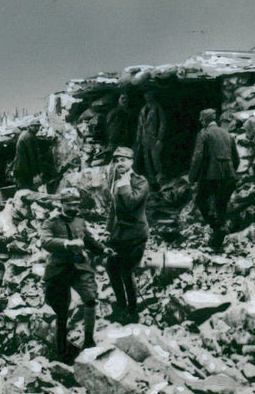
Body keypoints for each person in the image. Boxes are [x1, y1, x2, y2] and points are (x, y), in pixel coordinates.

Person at [41, 188, 106, 363]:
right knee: (62, 310)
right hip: (59, 270)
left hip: (79, 268)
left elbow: (88, 240)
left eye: (76, 204)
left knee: (90, 299)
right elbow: (45, 241)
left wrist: (102, 249)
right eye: (69, 204)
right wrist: (67, 244)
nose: (73, 207)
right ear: (61, 204)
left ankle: (89, 341)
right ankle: (61, 350)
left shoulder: (79, 221)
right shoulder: (51, 222)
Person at [105, 146, 149, 324]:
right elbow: (113, 209)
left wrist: (124, 185)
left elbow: (131, 204)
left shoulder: (140, 182)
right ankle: (121, 306)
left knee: (126, 270)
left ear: (131, 161)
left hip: (136, 234)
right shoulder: (116, 182)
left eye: (123, 160)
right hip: (120, 234)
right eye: (116, 160)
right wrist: (107, 230)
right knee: (111, 267)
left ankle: (132, 311)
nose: (119, 164)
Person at [189, 108, 240, 250]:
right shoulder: (227, 135)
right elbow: (236, 159)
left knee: (201, 200)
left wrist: (192, 177)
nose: (200, 121)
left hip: (210, 175)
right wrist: (230, 171)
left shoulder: (204, 134)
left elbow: (197, 157)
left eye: (201, 118)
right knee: (221, 205)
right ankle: (217, 244)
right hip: (228, 175)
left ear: (205, 120)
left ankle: (217, 227)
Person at [134, 91, 167, 188]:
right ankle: (152, 181)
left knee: (156, 159)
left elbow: (162, 124)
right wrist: (138, 137)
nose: (147, 97)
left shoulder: (157, 108)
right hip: (144, 138)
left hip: (154, 138)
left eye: (149, 95)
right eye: (146, 95)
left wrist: (160, 138)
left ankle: (161, 180)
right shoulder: (143, 109)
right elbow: (140, 125)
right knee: (146, 159)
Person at [12, 121, 45, 191]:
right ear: (29, 127)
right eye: (35, 126)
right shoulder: (28, 137)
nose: (37, 128)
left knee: (23, 189)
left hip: (21, 167)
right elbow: (32, 155)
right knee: (25, 190)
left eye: (38, 126)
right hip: (23, 168)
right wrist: (36, 172)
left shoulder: (26, 134)